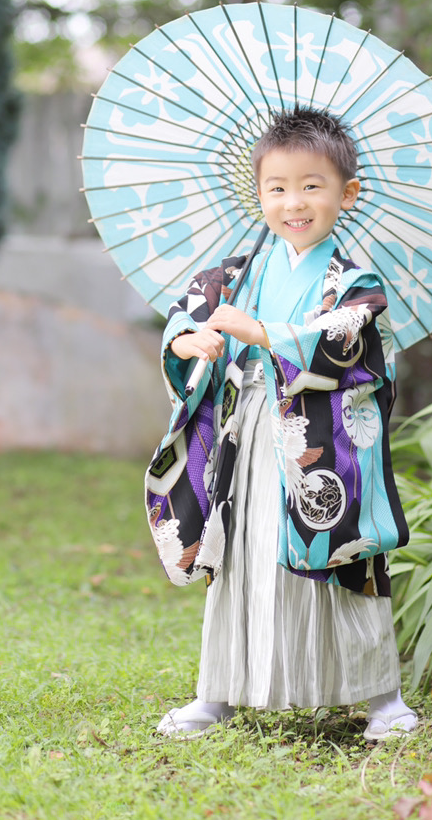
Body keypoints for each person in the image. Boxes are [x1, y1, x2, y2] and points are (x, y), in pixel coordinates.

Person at [146, 105, 418, 740]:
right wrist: (190, 344)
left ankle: (380, 696)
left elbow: (349, 344)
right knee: (243, 554)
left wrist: (263, 331)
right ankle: (221, 689)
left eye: (311, 186)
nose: (293, 202)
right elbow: (183, 321)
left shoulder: (355, 281)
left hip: (321, 443)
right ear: (259, 193)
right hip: (247, 433)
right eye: (277, 188)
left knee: (343, 559)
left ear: (346, 194)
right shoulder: (234, 274)